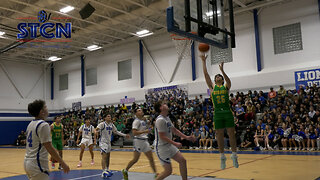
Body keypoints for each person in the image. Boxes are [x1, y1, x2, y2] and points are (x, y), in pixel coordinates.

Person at [201, 55, 239, 169]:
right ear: (215, 80)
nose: (218, 77)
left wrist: (222, 70)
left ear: (221, 79)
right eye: (216, 76)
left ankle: (234, 155)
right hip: (217, 113)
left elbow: (228, 81)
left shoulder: (226, 86)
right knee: (219, 135)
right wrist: (203, 62)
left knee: (231, 134)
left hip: (227, 112)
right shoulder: (212, 87)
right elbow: (206, 75)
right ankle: (222, 157)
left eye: (219, 76)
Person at [24, 100, 70, 180]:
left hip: (27, 162)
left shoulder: (30, 124)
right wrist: (62, 163)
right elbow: (49, 147)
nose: (47, 108)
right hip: (37, 165)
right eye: (45, 107)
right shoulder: (43, 125)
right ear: (42, 111)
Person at [154, 101, 196, 180]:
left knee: (183, 161)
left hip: (169, 145)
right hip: (162, 148)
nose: (166, 104)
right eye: (164, 104)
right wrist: (175, 143)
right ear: (161, 108)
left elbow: (174, 130)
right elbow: (162, 136)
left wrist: (186, 137)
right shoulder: (160, 120)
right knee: (168, 171)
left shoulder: (167, 118)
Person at [122, 108, 157, 180]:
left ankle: (156, 173)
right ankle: (125, 170)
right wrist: (145, 131)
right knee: (135, 159)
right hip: (138, 141)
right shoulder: (136, 121)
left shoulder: (143, 120)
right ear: (136, 113)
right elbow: (134, 133)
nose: (141, 111)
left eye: (141, 110)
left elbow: (147, 128)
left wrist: (149, 128)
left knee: (151, 158)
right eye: (138, 110)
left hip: (145, 141)